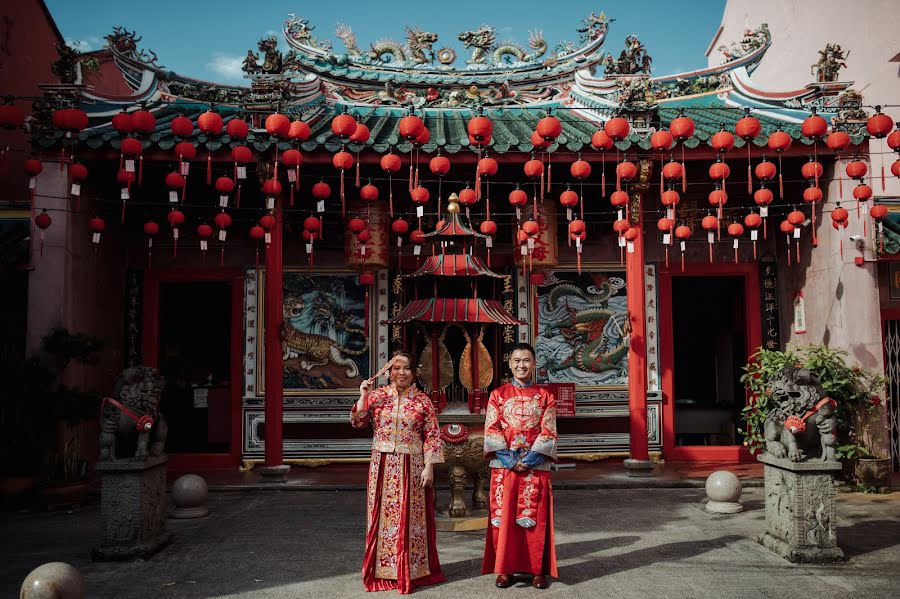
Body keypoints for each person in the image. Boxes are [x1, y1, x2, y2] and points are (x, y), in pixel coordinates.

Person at [351, 351, 446, 593]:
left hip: (412, 465)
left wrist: (429, 466)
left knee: (410, 517)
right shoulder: (378, 396)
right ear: (389, 371)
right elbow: (359, 422)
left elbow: (433, 436)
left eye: (406, 368)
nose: (401, 372)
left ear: (414, 373)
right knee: (382, 517)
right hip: (382, 466)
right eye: (396, 368)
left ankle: (412, 570)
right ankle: (384, 571)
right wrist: (363, 397)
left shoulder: (423, 401)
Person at [482, 342, 558, 589]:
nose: (521, 365)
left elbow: (549, 431)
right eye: (516, 360)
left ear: (534, 364)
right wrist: (510, 460)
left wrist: (529, 460)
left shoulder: (546, 396)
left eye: (526, 360)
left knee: (535, 517)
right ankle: (505, 568)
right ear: (510, 363)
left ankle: (537, 570)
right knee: (503, 518)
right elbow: (491, 429)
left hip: (534, 466)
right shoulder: (498, 395)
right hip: (505, 466)